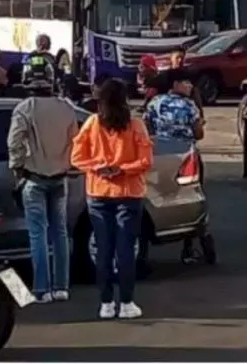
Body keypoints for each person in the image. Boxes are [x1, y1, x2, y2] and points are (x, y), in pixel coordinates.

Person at [71, 77, 153, 320]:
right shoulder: (136, 125)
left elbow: (76, 157)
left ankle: (106, 303)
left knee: (103, 250)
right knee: (126, 250)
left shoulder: (92, 123)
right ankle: (127, 302)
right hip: (129, 193)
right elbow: (146, 161)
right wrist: (123, 169)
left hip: (98, 192)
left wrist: (98, 166)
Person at [7, 66, 80, 303]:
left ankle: (42, 290)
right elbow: (75, 142)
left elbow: (14, 142)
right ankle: (62, 288)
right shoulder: (67, 108)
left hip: (33, 179)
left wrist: (17, 168)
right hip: (60, 178)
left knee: (38, 234)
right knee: (60, 232)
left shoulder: (24, 108)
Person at [143, 69, 207, 263]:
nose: (190, 86)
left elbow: (147, 129)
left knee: (160, 193)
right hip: (186, 157)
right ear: (175, 85)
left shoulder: (154, 103)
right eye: (185, 82)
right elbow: (199, 134)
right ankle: (189, 246)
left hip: (160, 155)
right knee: (189, 195)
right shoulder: (190, 106)